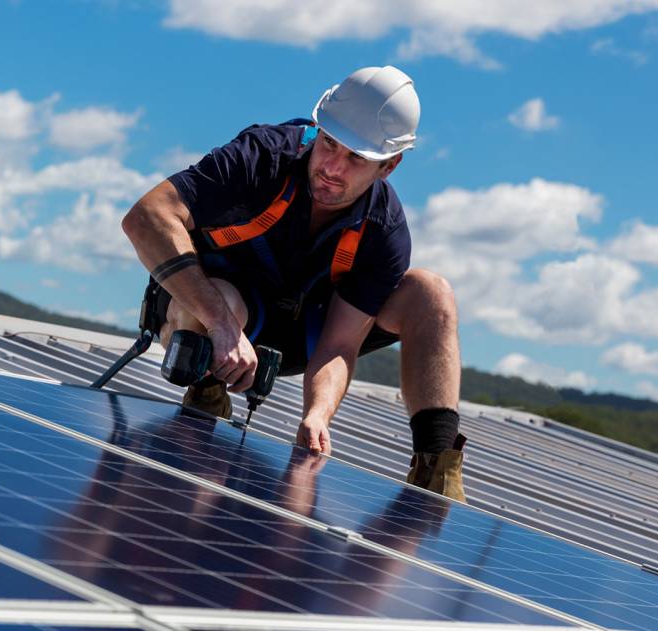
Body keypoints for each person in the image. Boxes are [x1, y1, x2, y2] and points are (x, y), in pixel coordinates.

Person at [120, 66, 466, 502]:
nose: (332, 169)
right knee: (224, 301)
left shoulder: (384, 230)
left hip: (304, 335)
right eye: (329, 144)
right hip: (214, 316)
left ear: (389, 166)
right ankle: (206, 393)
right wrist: (222, 324)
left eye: (356, 159)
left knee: (431, 293)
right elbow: (146, 217)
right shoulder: (261, 156)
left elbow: (339, 345)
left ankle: (437, 476)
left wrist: (318, 415)